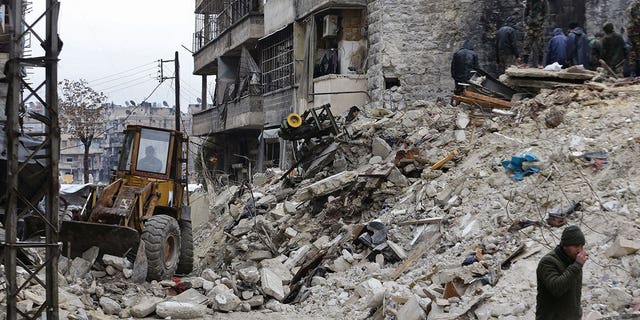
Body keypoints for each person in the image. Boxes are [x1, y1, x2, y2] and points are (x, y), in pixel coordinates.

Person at [536, 225, 588, 320]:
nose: (580, 250)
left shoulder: (573, 261)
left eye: (581, 246)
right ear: (565, 246)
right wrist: (577, 266)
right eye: (576, 246)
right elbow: (557, 288)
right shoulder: (548, 262)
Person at [523, 0, 549, 67]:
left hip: (539, 27)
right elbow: (525, 13)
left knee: (540, 45)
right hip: (530, 26)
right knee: (527, 44)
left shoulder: (543, 2)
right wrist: (525, 24)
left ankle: (540, 63)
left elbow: (546, 14)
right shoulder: (529, 1)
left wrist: (543, 25)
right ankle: (525, 63)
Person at [627, 0, 640, 76]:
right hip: (636, 32)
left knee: (633, 51)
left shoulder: (632, 5)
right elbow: (637, 19)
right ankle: (636, 72)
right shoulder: (636, 5)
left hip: (633, 31)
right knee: (637, 51)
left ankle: (633, 71)